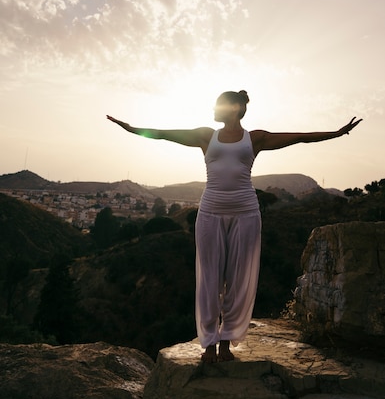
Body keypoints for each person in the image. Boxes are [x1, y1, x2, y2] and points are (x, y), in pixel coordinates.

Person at [106, 90, 361, 363]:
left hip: (246, 213)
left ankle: (226, 342)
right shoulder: (206, 135)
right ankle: (209, 344)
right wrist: (132, 129)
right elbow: (163, 133)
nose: (216, 107)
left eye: (221, 103)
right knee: (209, 279)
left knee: (238, 280)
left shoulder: (255, 138)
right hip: (210, 212)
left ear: (237, 107)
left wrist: (336, 133)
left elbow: (298, 137)